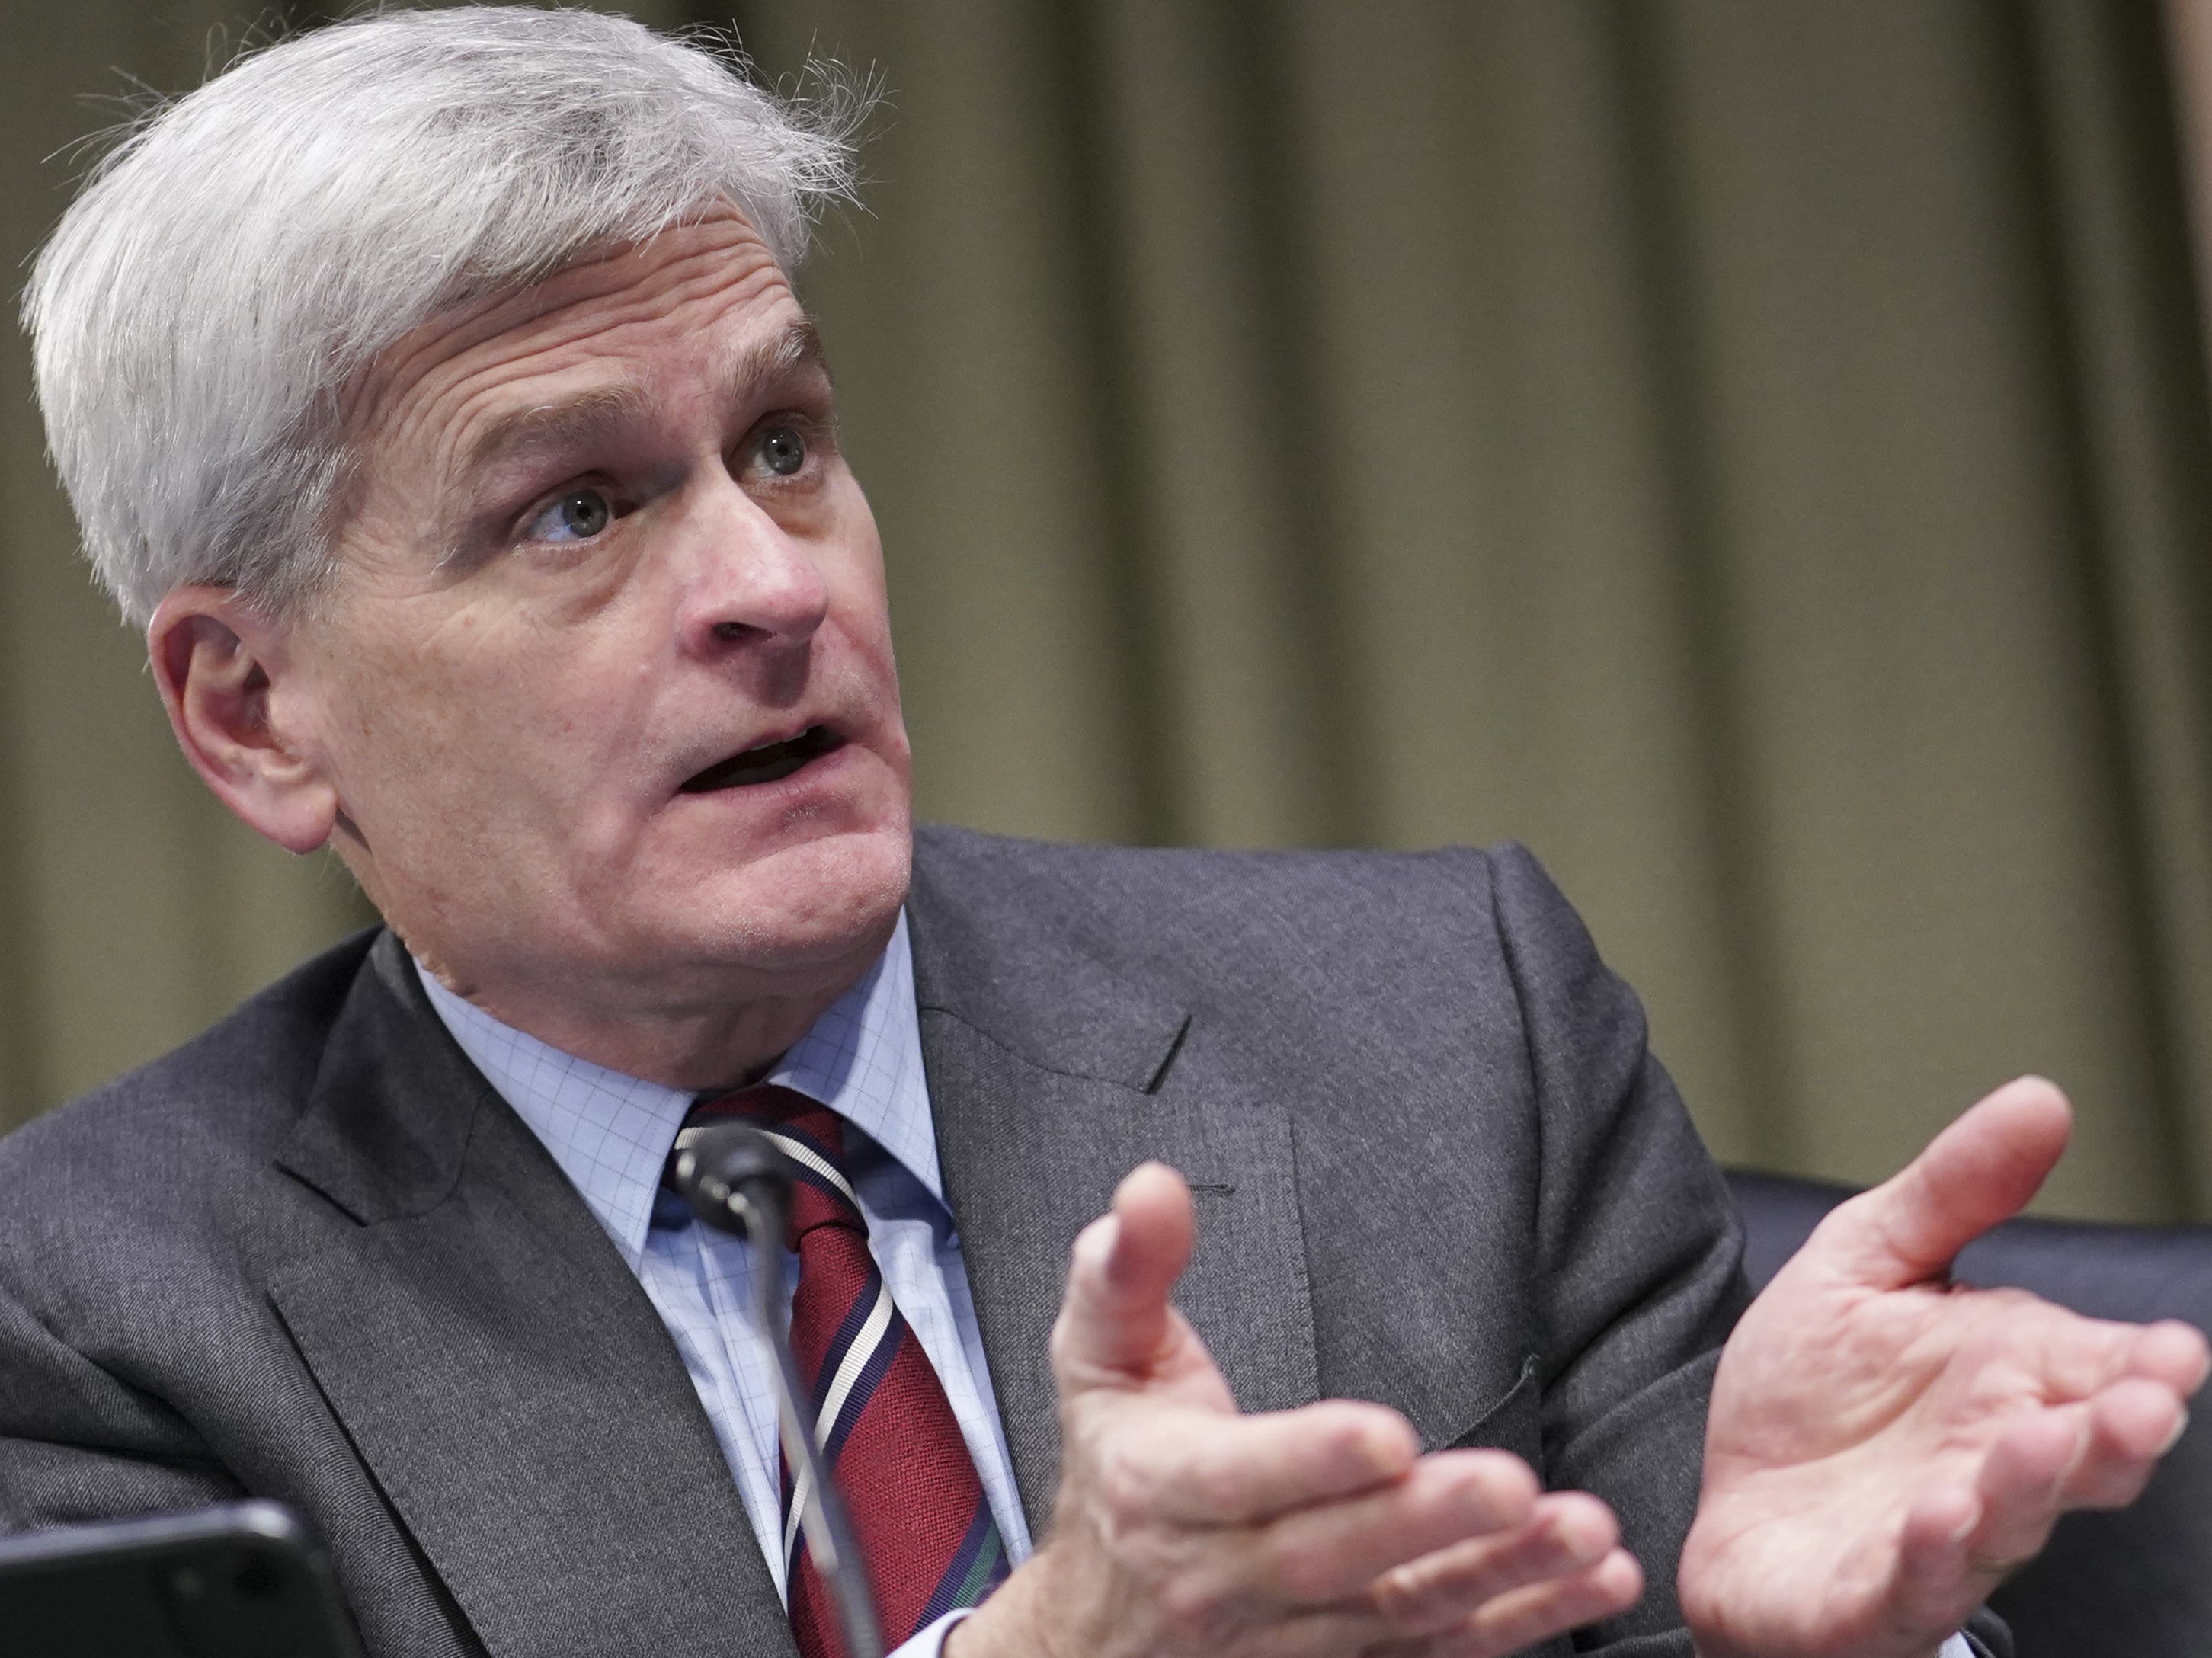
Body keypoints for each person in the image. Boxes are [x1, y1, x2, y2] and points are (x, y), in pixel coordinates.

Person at [1, 10, 2201, 1658]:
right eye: (576, 507)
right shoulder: (95, 1325)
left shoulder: (1451, 1034)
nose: (778, 582)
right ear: (255, 711)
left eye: (784, 440)